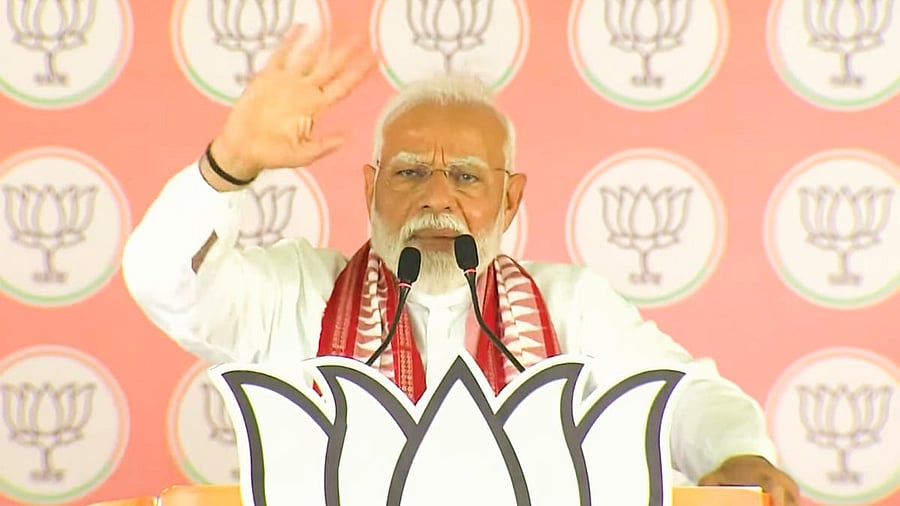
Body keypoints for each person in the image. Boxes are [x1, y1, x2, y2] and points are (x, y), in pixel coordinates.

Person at [121, 23, 800, 505]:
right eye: (410, 172)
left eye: (468, 179)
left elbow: (683, 399)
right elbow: (163, 283)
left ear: (512, 197)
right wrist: (228, 165)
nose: (437, 198)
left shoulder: (572, 306)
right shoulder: (295, 293)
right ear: (369, 189)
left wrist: (737, 453)